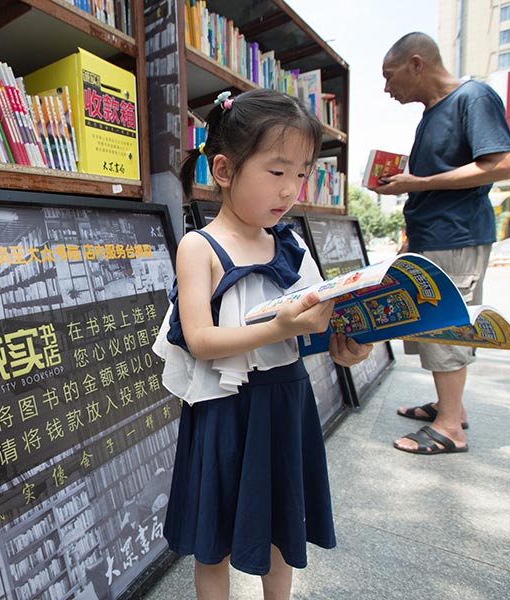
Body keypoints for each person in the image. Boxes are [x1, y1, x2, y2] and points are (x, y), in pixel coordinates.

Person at [152, 88, 372, 600]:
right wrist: (282, 328)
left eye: (302, 173)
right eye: (277, 172)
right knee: (214, 542)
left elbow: (316, 328)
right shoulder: (198, 246)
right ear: (224, 170)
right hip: (225, 408)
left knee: (280, 527)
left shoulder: (291, 245)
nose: (291, 189)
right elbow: (202, 340)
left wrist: (347, 348)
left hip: (285, 402)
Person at [371, 32, 510, 455]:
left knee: (446, 323)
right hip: (430, 236)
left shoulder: (474, 97)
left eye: (389, 75)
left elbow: (501, 164)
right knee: (427, 322)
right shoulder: (431, 113)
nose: (386, 88)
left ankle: (450, 427)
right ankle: (448, 406)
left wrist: (420, 182)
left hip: (455, 235)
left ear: (417, 63)